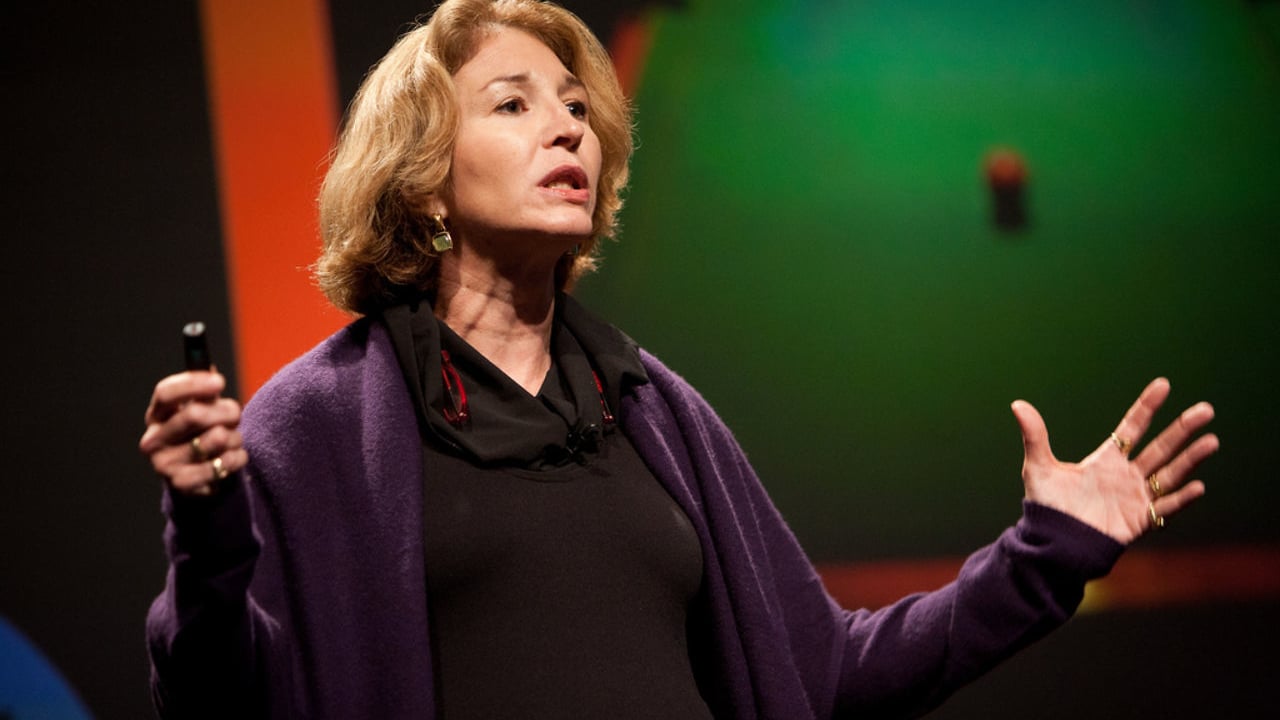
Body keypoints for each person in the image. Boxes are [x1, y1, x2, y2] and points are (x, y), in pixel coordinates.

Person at [139, 0, 1218, 718]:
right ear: (422, 176)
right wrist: (207, 540)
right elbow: (224, 695)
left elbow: (826, 675)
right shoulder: (319, 423)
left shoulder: (653, 409)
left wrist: (1043, 557)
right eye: (514, 105)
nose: (568, 128)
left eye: (576, 108)